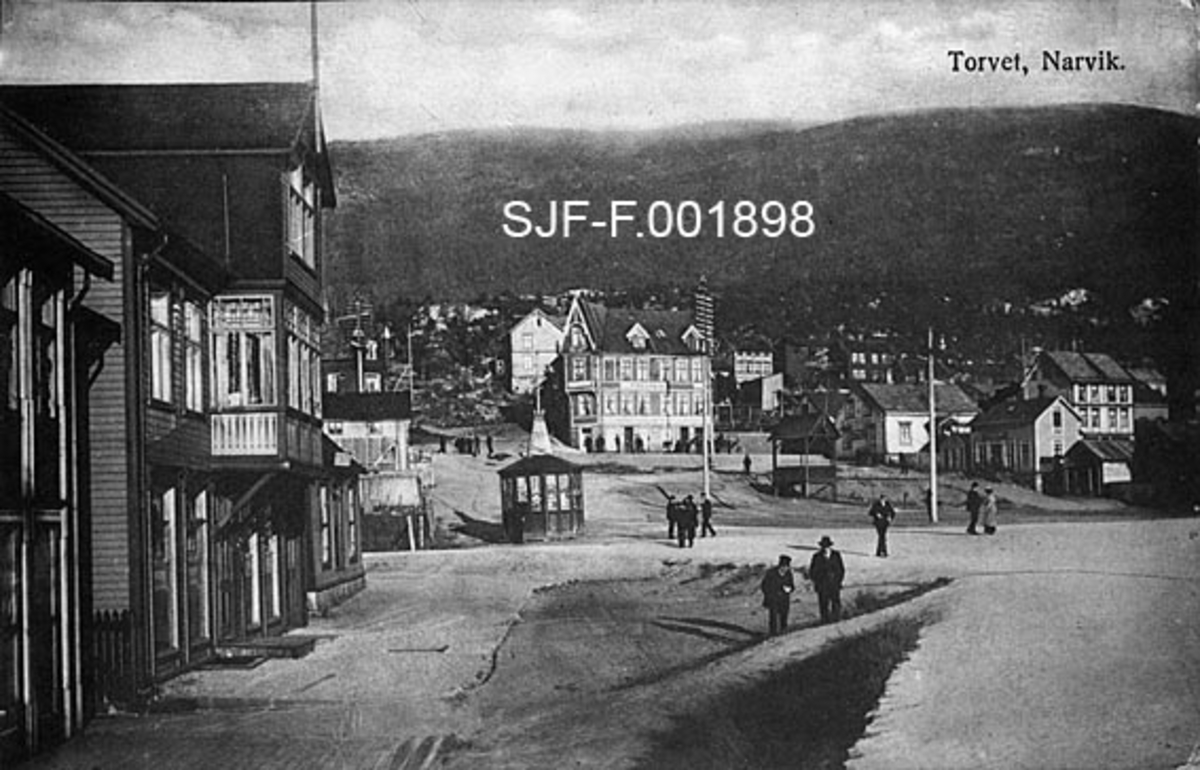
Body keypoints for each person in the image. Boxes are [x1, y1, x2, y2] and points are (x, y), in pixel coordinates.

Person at [808, 536, 845, 624]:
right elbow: (812, 571)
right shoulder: (816, 556)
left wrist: (838, 581)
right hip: (822, 585)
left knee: (835, 603)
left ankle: (836, 620)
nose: (825, 548)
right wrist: (817, 581)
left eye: (827, 546)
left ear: (830, 546)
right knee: (823, 604)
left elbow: (841, 570)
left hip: (834, 584)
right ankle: (825, 622)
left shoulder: (836, 555)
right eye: (823, 546)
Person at [760, 555, 795, 635]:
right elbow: (764, 586)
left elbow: (792, 586)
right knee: (773, 618)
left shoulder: (788, 574)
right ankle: (773, 634)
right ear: (780, 566)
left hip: (784, 600)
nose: (785, 569)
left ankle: (783, 632)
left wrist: (789, 589)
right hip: (773, 599)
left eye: (787, 567)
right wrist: (770, 594)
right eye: (783, 567)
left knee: (784, 616)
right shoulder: (771, 573)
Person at [867, 493, 897, 557]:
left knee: (882, 537)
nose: (883, 500)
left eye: (884, 499)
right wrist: (876, 514)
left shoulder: (887, 504)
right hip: (878, 523)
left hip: (885, 523)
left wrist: (890, 518)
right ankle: (884, 552)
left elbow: (893, 512)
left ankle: (879, 552)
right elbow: (870, 512)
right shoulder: (876, 504)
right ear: (880, 499)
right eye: (882, 499)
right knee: (882, 536)